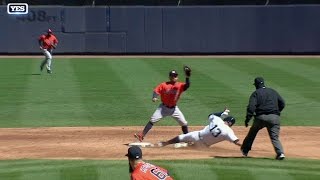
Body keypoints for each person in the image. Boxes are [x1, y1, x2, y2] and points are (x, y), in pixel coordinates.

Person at [134, 68, 191, 142]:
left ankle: (188, 139)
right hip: (163, 108)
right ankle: (141, 136)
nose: (174, 77)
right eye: (172, 76)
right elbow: (156, 91)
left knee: (184, 123)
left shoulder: (180, 85)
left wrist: (187, 77)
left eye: (175, 76)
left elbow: (187, 86)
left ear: (177, 77)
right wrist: (154, 97)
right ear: (169, 77)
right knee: (152, 120)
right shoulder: (163, 85)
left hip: (174, 109)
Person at [241, 77, 286, 160]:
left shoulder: (256, 93)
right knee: (274, 137)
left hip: (260, 118)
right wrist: (277, 112)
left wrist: (248, 119)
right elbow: (282, 103)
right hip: (274, 118)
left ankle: (245, 150)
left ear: (256, 85)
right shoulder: (273, 91)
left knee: (252, 133)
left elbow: (251, 107)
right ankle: (280, 153)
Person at [158, 108, 242, 148]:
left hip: (196, 135)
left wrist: (223, 113)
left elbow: (211, 115)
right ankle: (185, 145)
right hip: (203, 145)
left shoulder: (218, 120)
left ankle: (165, 143)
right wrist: (244, 146)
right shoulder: (229, 131)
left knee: (181, 137)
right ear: (231, 124)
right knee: (188, 148)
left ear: (225, 120)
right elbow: (236, 142)